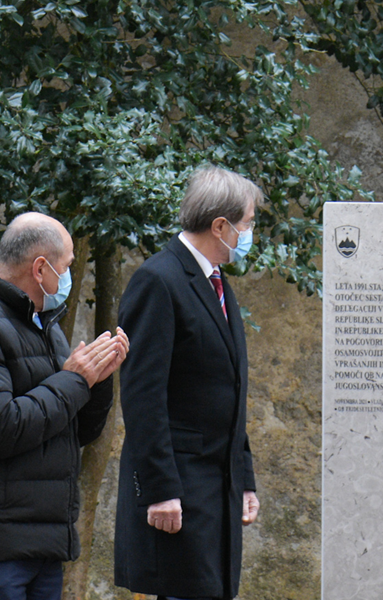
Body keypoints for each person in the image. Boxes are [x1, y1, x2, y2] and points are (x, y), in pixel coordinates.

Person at [0, 212, 128, 600]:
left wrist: (96, 381)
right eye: (67, 265)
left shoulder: (43, 326)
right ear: (40, 268)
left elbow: (71, 432)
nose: (69, 276)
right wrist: (74, 380)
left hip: (41, 541)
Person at [115, 167, 262, 600]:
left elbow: (228, 390)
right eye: (247, 224)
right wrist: (160, 490)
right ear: (220, 226)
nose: (249, 234)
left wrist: (244, 477)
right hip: (180, 490)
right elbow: (143, 395)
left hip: (216, 488)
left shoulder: (217, 282)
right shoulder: (158, 280)